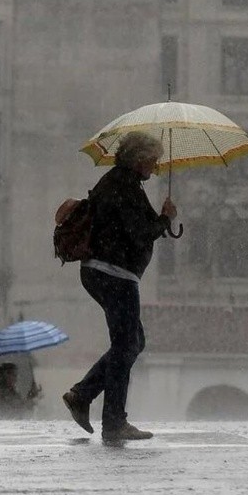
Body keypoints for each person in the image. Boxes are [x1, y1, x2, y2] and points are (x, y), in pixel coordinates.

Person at [61, 131, 177, 443]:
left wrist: (163, 220)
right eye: (152, 160)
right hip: (113, 274)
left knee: (132, 342)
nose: (155, 167)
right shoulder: (123, 186)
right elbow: (140, 234)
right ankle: (113, 422)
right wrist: (165, 219)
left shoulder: (123, 183)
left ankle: (82, 395)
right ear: (138, 159)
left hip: (107, 273)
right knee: (127, 345)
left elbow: (140, 227)